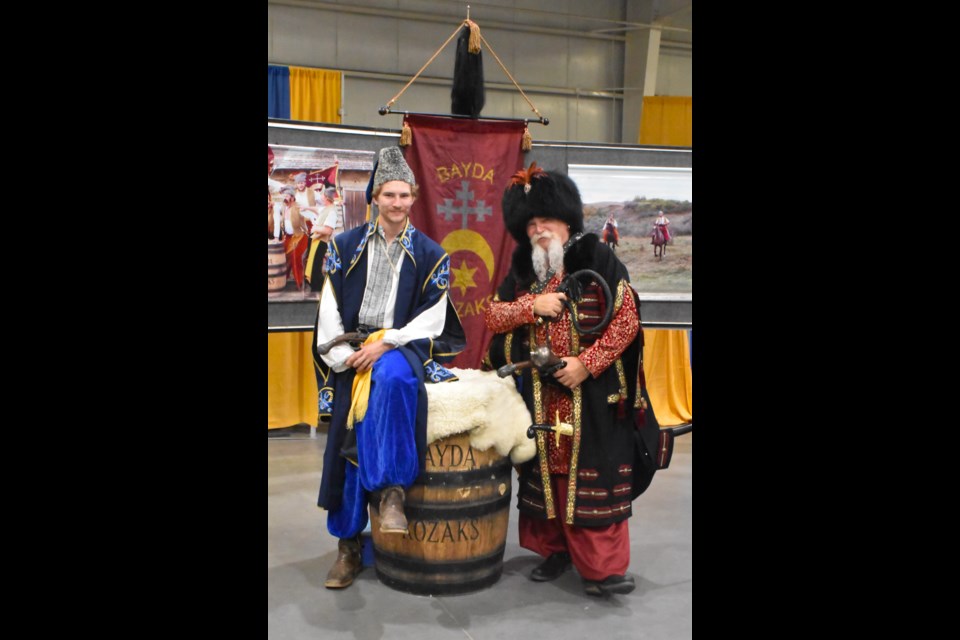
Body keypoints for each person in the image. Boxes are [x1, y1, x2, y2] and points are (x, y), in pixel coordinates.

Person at [483, 163, 660, 597]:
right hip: (541, 402)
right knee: (548, 480)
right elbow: (490, 314)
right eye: (531, 224)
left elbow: (627, 319)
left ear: (566, 221)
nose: (539, 230)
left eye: (546, 220)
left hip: (594, 398)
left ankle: (603, 570)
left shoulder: (598, 257)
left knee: (591, 479)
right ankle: (556, 551)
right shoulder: (523, 272)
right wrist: (531, 306)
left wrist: (588, 363)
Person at [312, 146, 466, 589]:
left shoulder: (431, 253)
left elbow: (432, 318)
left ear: (413, 198)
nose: (397, 203)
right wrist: (345, 358)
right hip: (350, 346)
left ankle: (393, 492)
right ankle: (347, 547)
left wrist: (386, 344)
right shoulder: (342, 247)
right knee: (346, 437)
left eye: (404, 195)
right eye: (389, 195)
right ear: (374, 197)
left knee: (396, 379)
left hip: (401, 342)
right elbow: (330, 309)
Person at [273, 185, 310, 289]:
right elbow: (277, 220)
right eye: (284, 195)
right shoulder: (283, 207)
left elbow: (311, 216)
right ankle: (284, 278)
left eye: (287, 195)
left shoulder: (298, 207)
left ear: (293, 197)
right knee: (283, 255)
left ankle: (300, 284)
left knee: (295, 257)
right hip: (288, 237)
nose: (284, 197)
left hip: (300, 236)